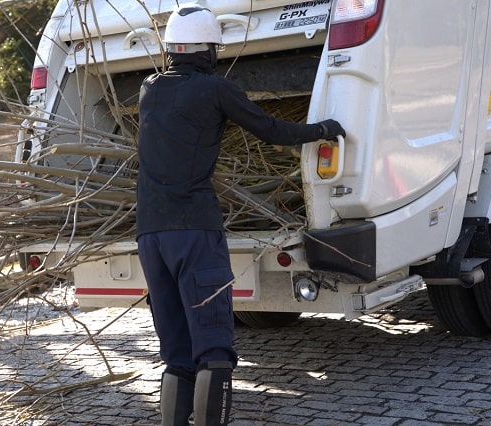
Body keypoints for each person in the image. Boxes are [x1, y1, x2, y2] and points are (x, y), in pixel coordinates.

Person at [135, 5, 346, 425]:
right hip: (194, 231)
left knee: (177, 354)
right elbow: (271, 130)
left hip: (150, 235)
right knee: (213, 349)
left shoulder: (149, 88)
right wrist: (320, 129)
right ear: (208, 50)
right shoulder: (216, 89)